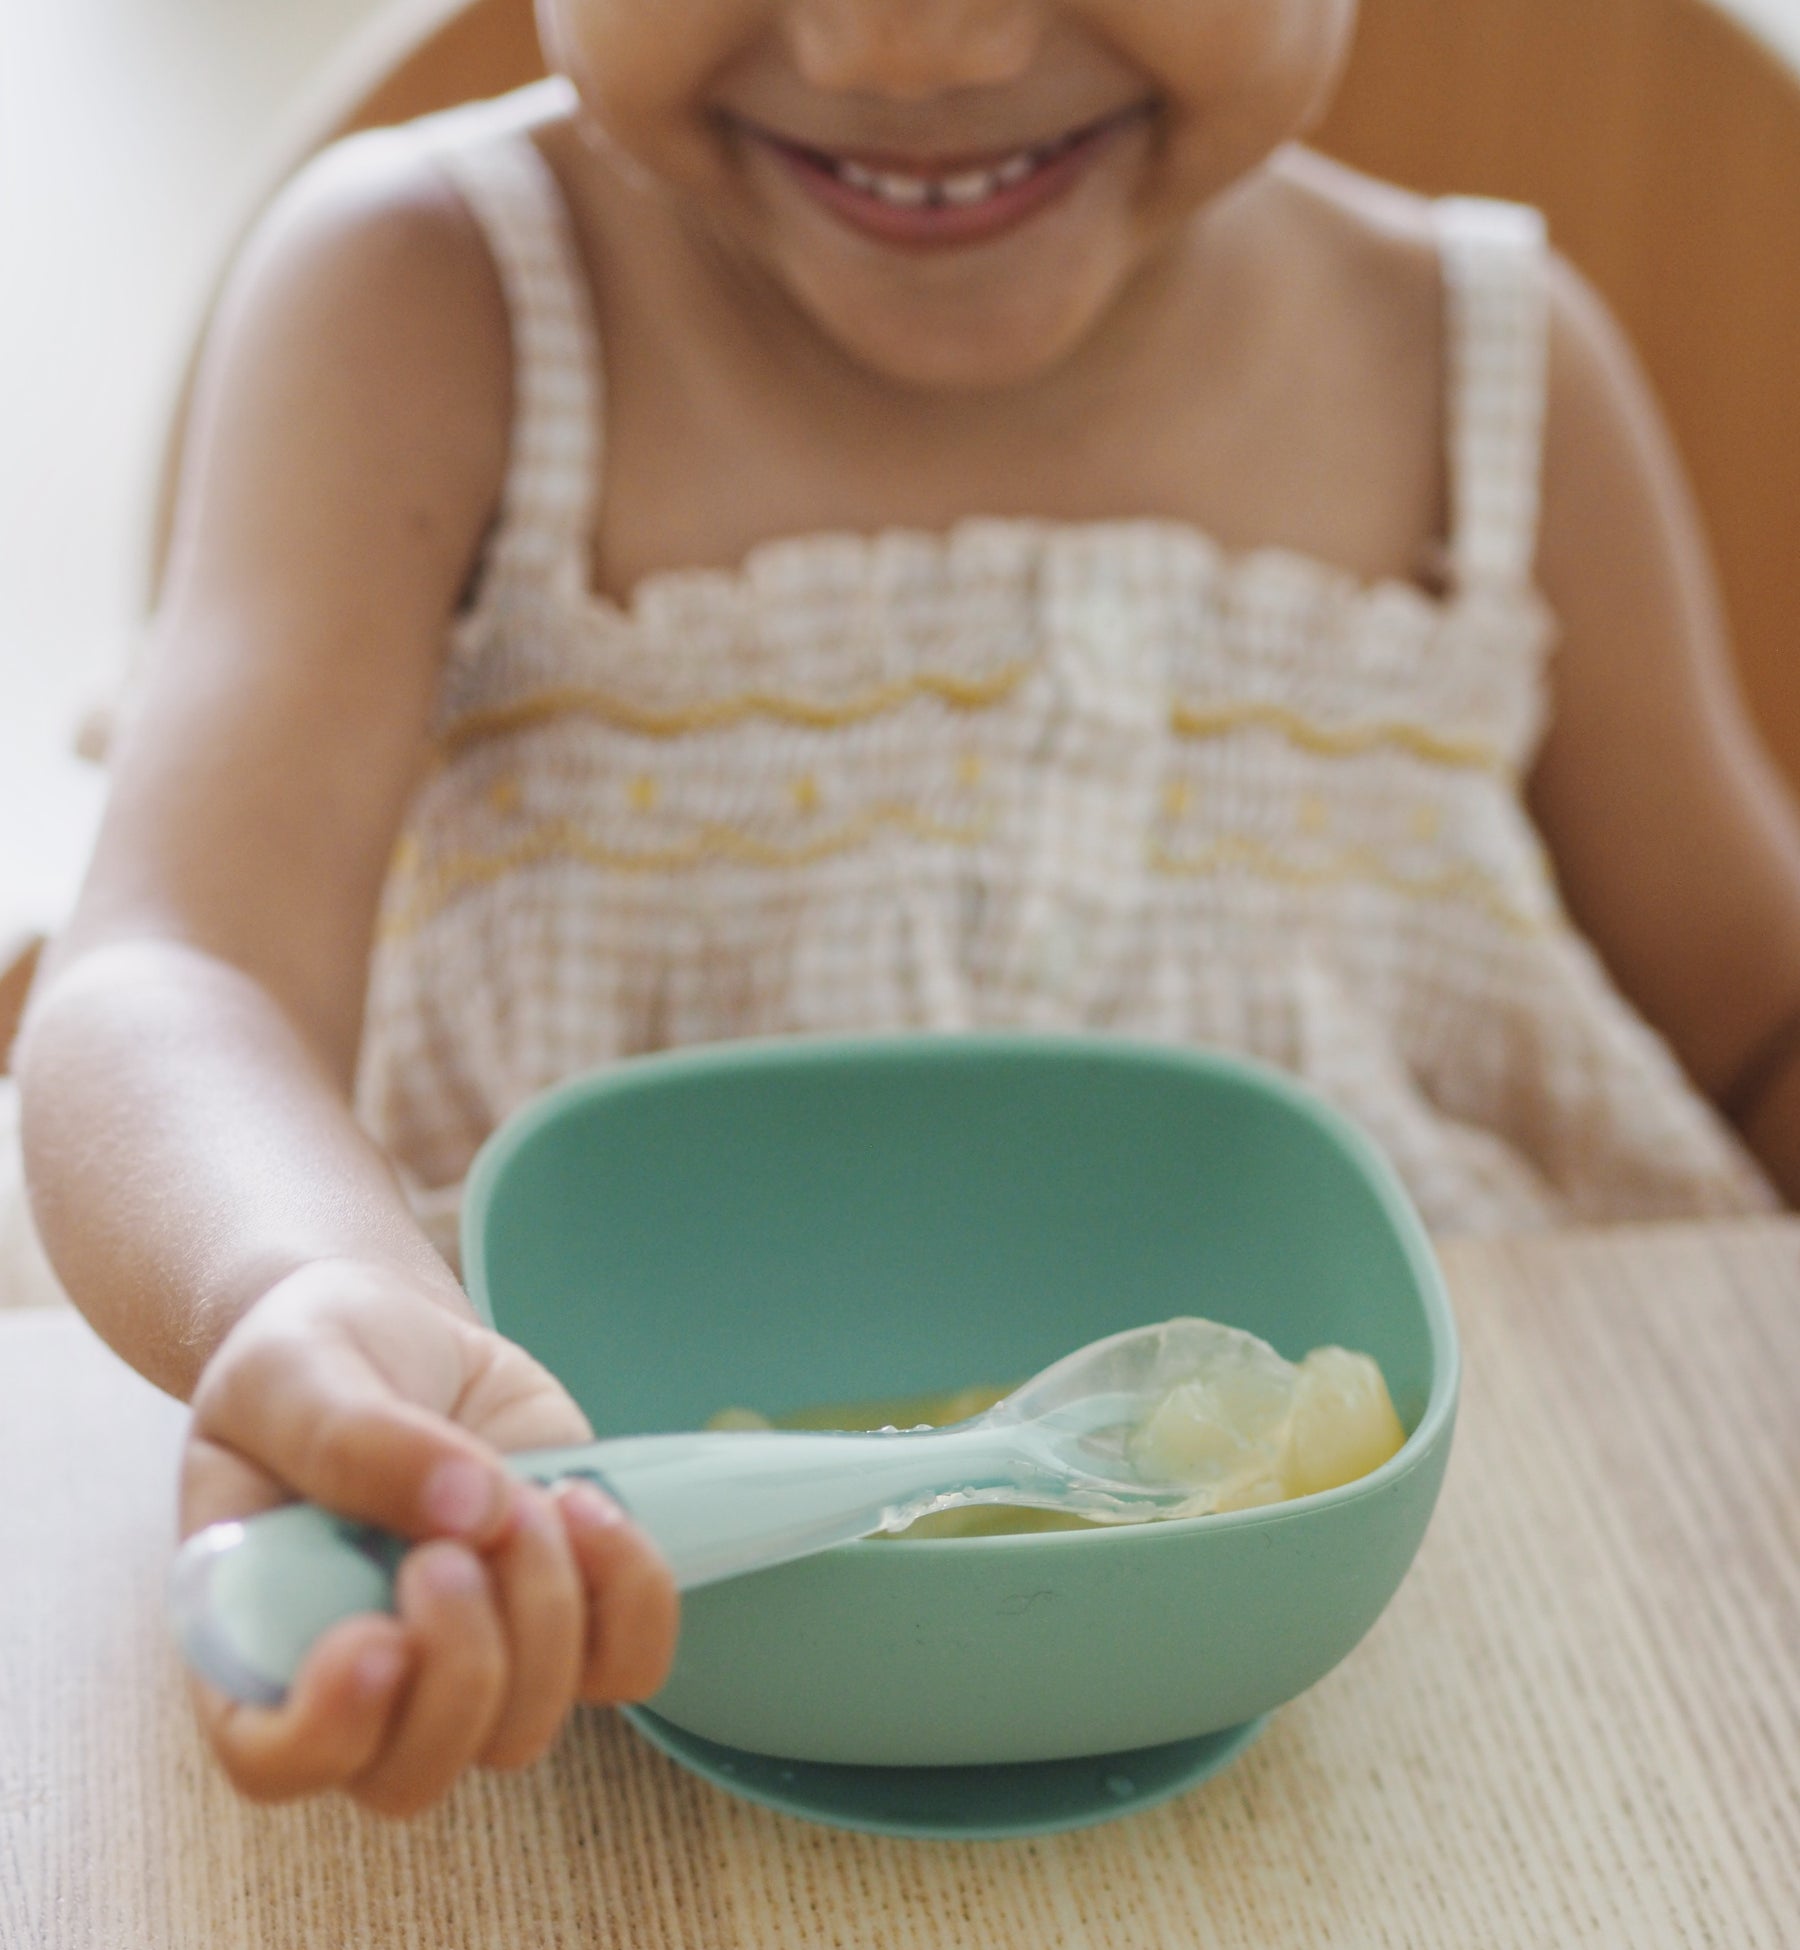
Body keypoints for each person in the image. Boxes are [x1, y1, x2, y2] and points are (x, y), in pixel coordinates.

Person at [16, 0, 1800, 1817]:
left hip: (1490, 1723)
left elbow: (1761, 1029)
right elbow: (174, 970)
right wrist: (305, 1282)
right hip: (579, 1727)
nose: (909, 50)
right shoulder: (429, 305)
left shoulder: (1498, 382)